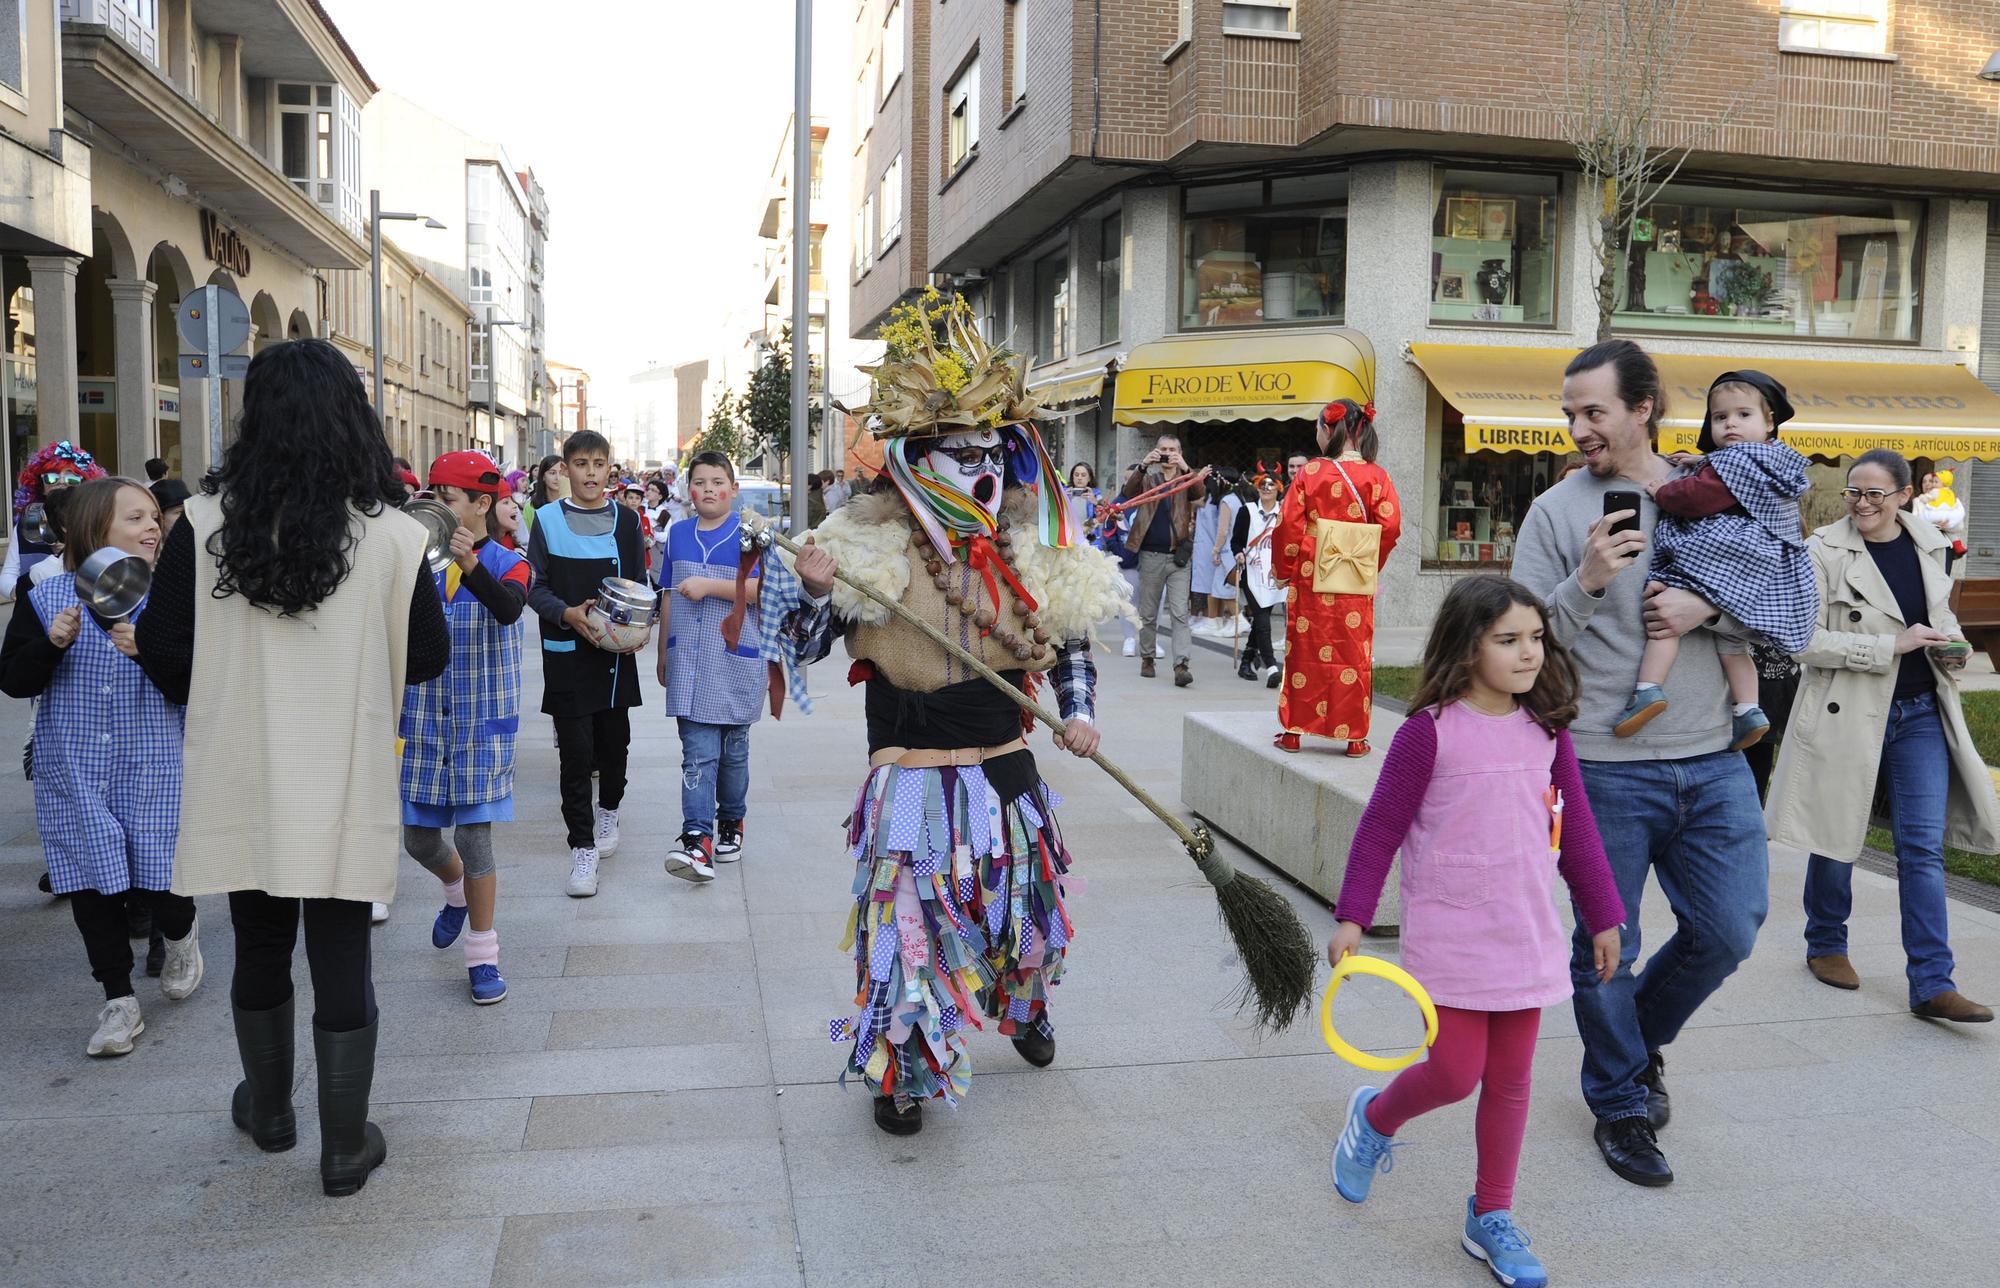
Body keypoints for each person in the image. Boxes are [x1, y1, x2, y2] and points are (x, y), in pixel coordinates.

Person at [781, 334, 1128, 1136]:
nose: (980, 465)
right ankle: (900, 1067)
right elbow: (799, 646)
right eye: (958, 451)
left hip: (1007, 773)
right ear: (917, 456)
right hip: (911, 778)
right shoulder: (862, 541)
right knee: (911, 925)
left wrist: (1077, 710)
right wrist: (810, 594)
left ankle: (1025, 1005)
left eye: (990, 449)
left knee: (1026, 922)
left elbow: (1071, 644)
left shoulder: (1031, 545)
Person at [134, 338, 448, 1198]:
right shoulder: (392, 536)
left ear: (255, 420)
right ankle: (345, 1148)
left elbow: (163, 650)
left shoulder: (202, 525)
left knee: (260, 940)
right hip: (341, 769)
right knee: (342, 950)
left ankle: (270, 1111)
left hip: (245, 768)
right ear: (354, 418)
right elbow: (426, 654)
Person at [1511, 339, 1769, 1189]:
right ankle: (1620, 1101)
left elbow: (1779, 597)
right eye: (1571, 413)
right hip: (1598, 766)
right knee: (1604, 948)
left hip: (1711, 756)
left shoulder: (1720, 489)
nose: (1580, 427)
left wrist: (1714, 602)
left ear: (1643, 408)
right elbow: (1518, 651)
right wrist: (1584, 583)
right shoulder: (1553, 514)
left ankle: (1635, 1040)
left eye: (1595, 411)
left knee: (1731, 928)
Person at [1328, 576, 1624, 1288]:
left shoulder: (1547, 733)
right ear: (1468, 646)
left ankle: (1490, 1214)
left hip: (1524, 932)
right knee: (1457, 1074)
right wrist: (1352, 915)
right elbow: (1380, 830)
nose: (1529, 653)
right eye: (1509, 640)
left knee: (1513, 1081)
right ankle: (1375, 1117)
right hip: (1454, 934)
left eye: (1535, 638)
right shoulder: (1427, 733)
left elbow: (1577, 828)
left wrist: (1604, 911)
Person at [1766, 449, 1997, 1023]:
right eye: (1853, 492)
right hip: (1850, 708)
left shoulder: (1929, 543)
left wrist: (1953, 643)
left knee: (1920, 847)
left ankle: (1932, 981)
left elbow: (1940, 616)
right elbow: (1801, 639)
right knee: (1838, 831)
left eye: (1874, 493)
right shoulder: (1821, 549)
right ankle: (1825, 942)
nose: (1862, 503)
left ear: (1902, 496)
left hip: (1920, 710)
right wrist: (1885, 647)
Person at [0, 477, 201, 1057]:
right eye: (136, 518)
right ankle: (118, 1000)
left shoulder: (172, 596)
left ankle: (182, 936)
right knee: (91, 882)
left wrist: (152, 652)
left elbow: (199, 686)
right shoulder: (46, 597)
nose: (152, 527)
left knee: (159, 875)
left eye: (152, 519)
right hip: (76, 768)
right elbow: (13, 681)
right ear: (95, 529)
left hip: (155, 761)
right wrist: (52, 645)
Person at [1615, 371, 1815, 752]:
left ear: (1770, 421)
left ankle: (1647, 689)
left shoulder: (1737, 464)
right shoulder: (1771, 460)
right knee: (1732, 643)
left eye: (1743, 415)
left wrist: (1664, 491)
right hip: (1758, 565)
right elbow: (1727, 478)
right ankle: (1749, 710)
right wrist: (1702, 461)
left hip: (1723, 555)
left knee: (1666, 621)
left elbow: (1698, 498)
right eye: (1720, 418)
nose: (1730, 424)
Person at [400, 451, 531, 1006]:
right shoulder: (416, 562)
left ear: (481, 504)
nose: (435, 505)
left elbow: (509, 609)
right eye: (430, 494)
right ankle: (454, 891)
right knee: (419, 839)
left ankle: (483, 954)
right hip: (425, 719)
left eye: (446, 497)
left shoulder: (509, 561)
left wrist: (471, 566)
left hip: (481, 724)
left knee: (475, 840)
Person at [524, 430, 648, 899]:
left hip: (614, 657)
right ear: (565, 469)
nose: (591, 473)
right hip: (567, 654)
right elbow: (534, 588)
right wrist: (567, 614)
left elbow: (640, 584)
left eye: (599, 464)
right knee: (575, 756)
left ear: (609, 468)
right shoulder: (548, 520)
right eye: (581, 464)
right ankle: (582, 847)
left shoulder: (628, 522)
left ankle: (609, 811)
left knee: (614, 746)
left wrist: (641, 627)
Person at [1271, 399, 1403, 755]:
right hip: (1353, 576)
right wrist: (1366, 563)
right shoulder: (1378, 476)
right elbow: (1390, 526)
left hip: (1313, 571)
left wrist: (1283, 571)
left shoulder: (1311, 472)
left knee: (1305, 649)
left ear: (1328, 430)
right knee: (1352, 652)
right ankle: (1354, 737)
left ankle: (1295, 730)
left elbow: (1288, 526)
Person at [656, 451, 765, 881]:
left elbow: (763, 590)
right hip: (688, 661)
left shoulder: (751, 536)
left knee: (733, 754)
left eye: (717, 482)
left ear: (733, 489)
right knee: (697, 754)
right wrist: (665, 650)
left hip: (734, 660)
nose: (708, 490)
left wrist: (711, 587)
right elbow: (668, 595)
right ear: (688, 490)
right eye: (699, 483)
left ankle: (731, 822)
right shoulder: (678, 534)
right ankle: (695, 837)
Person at [1120, 433, 1196, 686]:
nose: (1167, 454)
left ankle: (1181, 665)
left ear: (1180, 452)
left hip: (1178, 560)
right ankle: (1148, 657)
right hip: (1150, 555)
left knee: (1180, 613)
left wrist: (1185, 467)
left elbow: (1200, 492)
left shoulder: (1186, 479)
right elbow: (1127, 493)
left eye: (1172, 449)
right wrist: (1143, 464)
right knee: (1149, 613)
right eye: (1163, 449)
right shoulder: (1149, 479)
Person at [2, 441, 105, 600]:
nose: (61, 482)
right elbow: (8, 574)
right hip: (35, 614)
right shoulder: (30, 521)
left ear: (84, 484)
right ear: (40, 485)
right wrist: (22, 592)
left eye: (71, 478)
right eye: (51, 477)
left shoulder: (97, 522)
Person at [1230, 469, 1285, 686]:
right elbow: (1236, 541)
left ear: (1279, 488)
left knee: (1260, 622)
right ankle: (1272, 667)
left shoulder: (1285, 512)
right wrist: (1239, 553)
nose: (1266, 487)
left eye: (1271, 484)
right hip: (1251, 574)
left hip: (1275, 576)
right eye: (1262, 483)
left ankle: (1247, 660)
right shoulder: (1247, 511)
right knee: (1262, 619)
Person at [1199, 470, 1245, 635]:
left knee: (1226, 589)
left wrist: (1215, 549)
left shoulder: (1226, 501)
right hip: (1232, 551)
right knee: (1218, 588)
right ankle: (1215, 622)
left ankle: (1239, 620)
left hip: (1226, 552)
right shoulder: (1238, 499)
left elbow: (1223, 530)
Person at [1916, 469, 1968, 574]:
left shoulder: (1950, 502)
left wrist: (1947, 524)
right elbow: (1914, 525)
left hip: (1945, 548)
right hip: (1922, 549)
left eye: (1931, 481)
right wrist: (1935, 525)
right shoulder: (1917, 502)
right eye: (1924, 481)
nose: (1928, 484)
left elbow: (1959, 526)